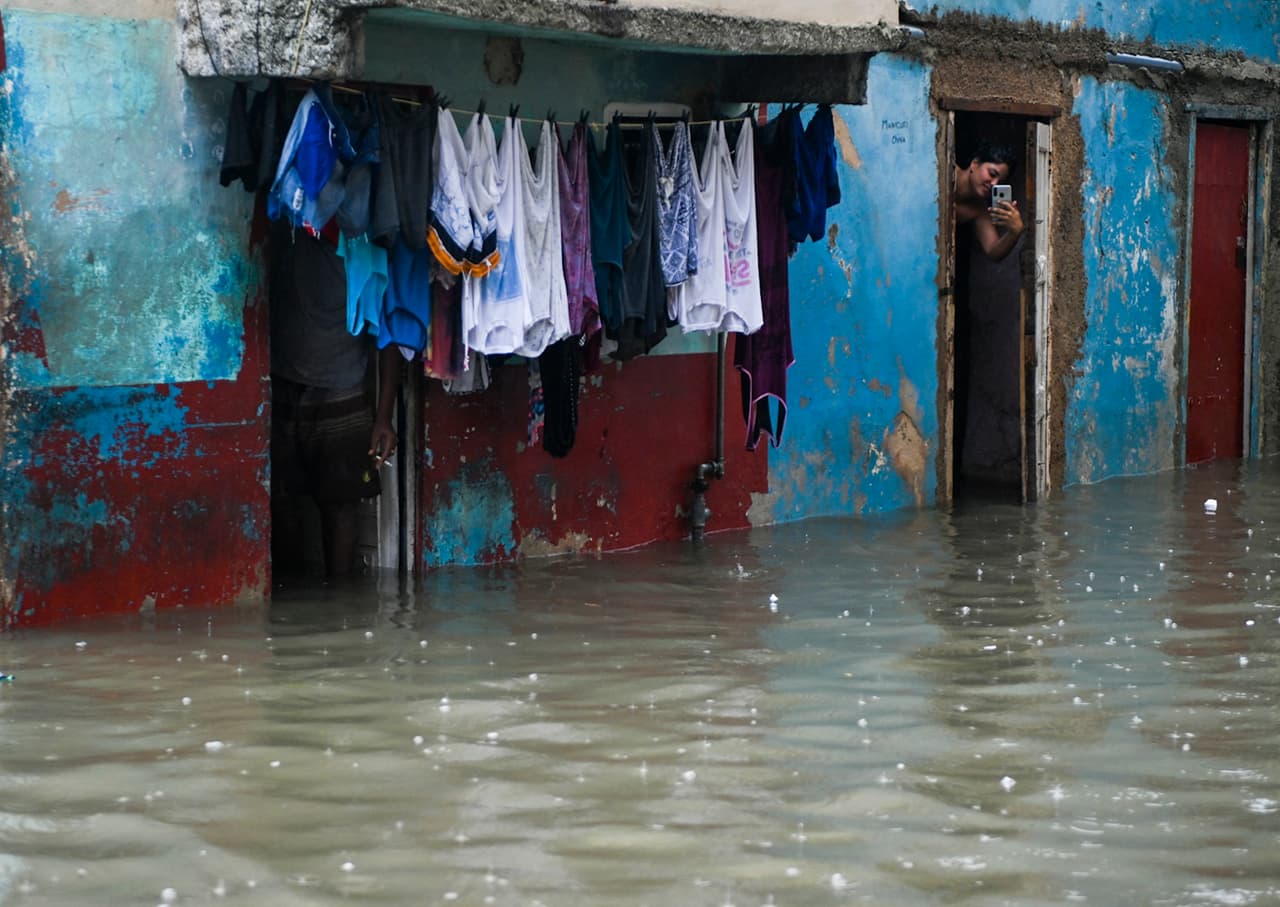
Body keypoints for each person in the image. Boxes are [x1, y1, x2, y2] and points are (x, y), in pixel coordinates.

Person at [269, 220, 401, 579]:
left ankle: (340, 604)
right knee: (284, 501)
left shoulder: (367, 243)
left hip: (342, 388)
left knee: (340, 506)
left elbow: (390, 335)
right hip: (283, 384)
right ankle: (301, 598)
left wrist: (384, 417)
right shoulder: (288, 223)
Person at [954, 142, 1024, 261]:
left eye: (1000, 182)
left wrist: (1015, 232)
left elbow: (993, 252)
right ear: (974, 164)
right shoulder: (943, 166)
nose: (994, 183)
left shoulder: (978, 210)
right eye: (992, 174)